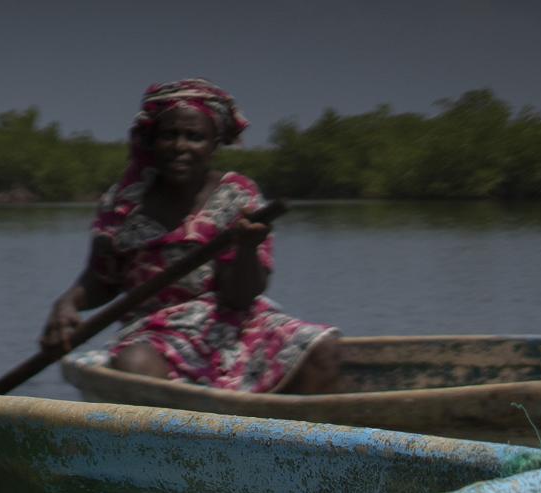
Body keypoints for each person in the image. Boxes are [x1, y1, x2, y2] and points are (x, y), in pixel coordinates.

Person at [39, 78, 345, 397]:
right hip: (154, 330)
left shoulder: (238, 196)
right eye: (170, 135)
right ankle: (175, 439)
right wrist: (67, 304)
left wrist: (246, 248)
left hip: (235, 324)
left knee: (323, 348)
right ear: (152, 140)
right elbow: (102, 278)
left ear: (214, 144)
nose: (180, 146)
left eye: (194, 137)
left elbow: (240, 296)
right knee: (136, 366)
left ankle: (298, 437)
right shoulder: (124, 204)